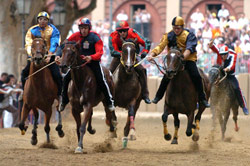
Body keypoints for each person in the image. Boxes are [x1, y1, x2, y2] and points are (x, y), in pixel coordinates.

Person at [147, 16, 210, 107]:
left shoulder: (189, 35)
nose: (176, 30)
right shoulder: (168, 35)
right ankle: (158, 96)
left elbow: (189, 48)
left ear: (182, 27)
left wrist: (182, 57)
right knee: (166, 76)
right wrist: (152, 55)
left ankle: (202, 98)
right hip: (174, 61)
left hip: (188, 59)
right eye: (174, 28)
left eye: (178, 28)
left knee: (196, 76)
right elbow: (160, 46)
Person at [56, 17, 115, 112]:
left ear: (89, 28)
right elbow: (63, 46)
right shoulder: (75, 36)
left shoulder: (95, 37)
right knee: (66, 79)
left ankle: (109, 101)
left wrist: (91, 57)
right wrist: (58, 55)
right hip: (78, 64)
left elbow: (100, 52)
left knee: (101, 79)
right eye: (82, 28)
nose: (83, 30)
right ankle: (64, 101)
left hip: (93, 63)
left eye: (85, 28)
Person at [109, 20, 151, 104]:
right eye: (120, 31)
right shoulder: (112, 36)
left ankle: (145, 94)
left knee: (142, 70)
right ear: (117, 32)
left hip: (132, 58)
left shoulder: (133, 33)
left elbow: (146, 42)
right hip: (119, 58)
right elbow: (113, 51)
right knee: (108, 73)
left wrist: (145, 52)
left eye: (124, 31)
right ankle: (106, 95)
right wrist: (123, 54)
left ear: (128, 30)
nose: (122, 33)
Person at [21, 11, 62, 97]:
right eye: (40, 19)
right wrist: (32, 55)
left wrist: (50, 54)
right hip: (35, 56)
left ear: (48, 21)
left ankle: (60, 95)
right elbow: (28, 43)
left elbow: (54, 42)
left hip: (48, 56)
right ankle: (23, 92)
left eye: (45, 19)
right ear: (38, 20)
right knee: (24, 73)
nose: (43, 21)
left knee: (57, 75)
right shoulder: (32, 30)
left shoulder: (53, 30)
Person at [209, 41, 249, 115]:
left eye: (224, 55)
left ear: (228, 53)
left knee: (236, 88)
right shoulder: (221, 53)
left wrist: (227, 68)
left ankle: (243, 106)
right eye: (221, 55)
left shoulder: (233, 55)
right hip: (221, 73)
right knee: (210, 83)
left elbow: (232, 65)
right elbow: (216, 49)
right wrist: (211, 46)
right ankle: (205, 102)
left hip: (230, 75)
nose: (222, 57)